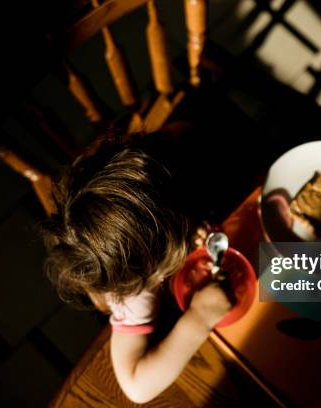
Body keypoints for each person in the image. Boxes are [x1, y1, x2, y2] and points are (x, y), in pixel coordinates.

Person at [41, 139, 232, 403]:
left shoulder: (160, 161)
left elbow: (182, 135)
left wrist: (194, 230)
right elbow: (135, 386)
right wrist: (199, 318)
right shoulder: (134, 294)